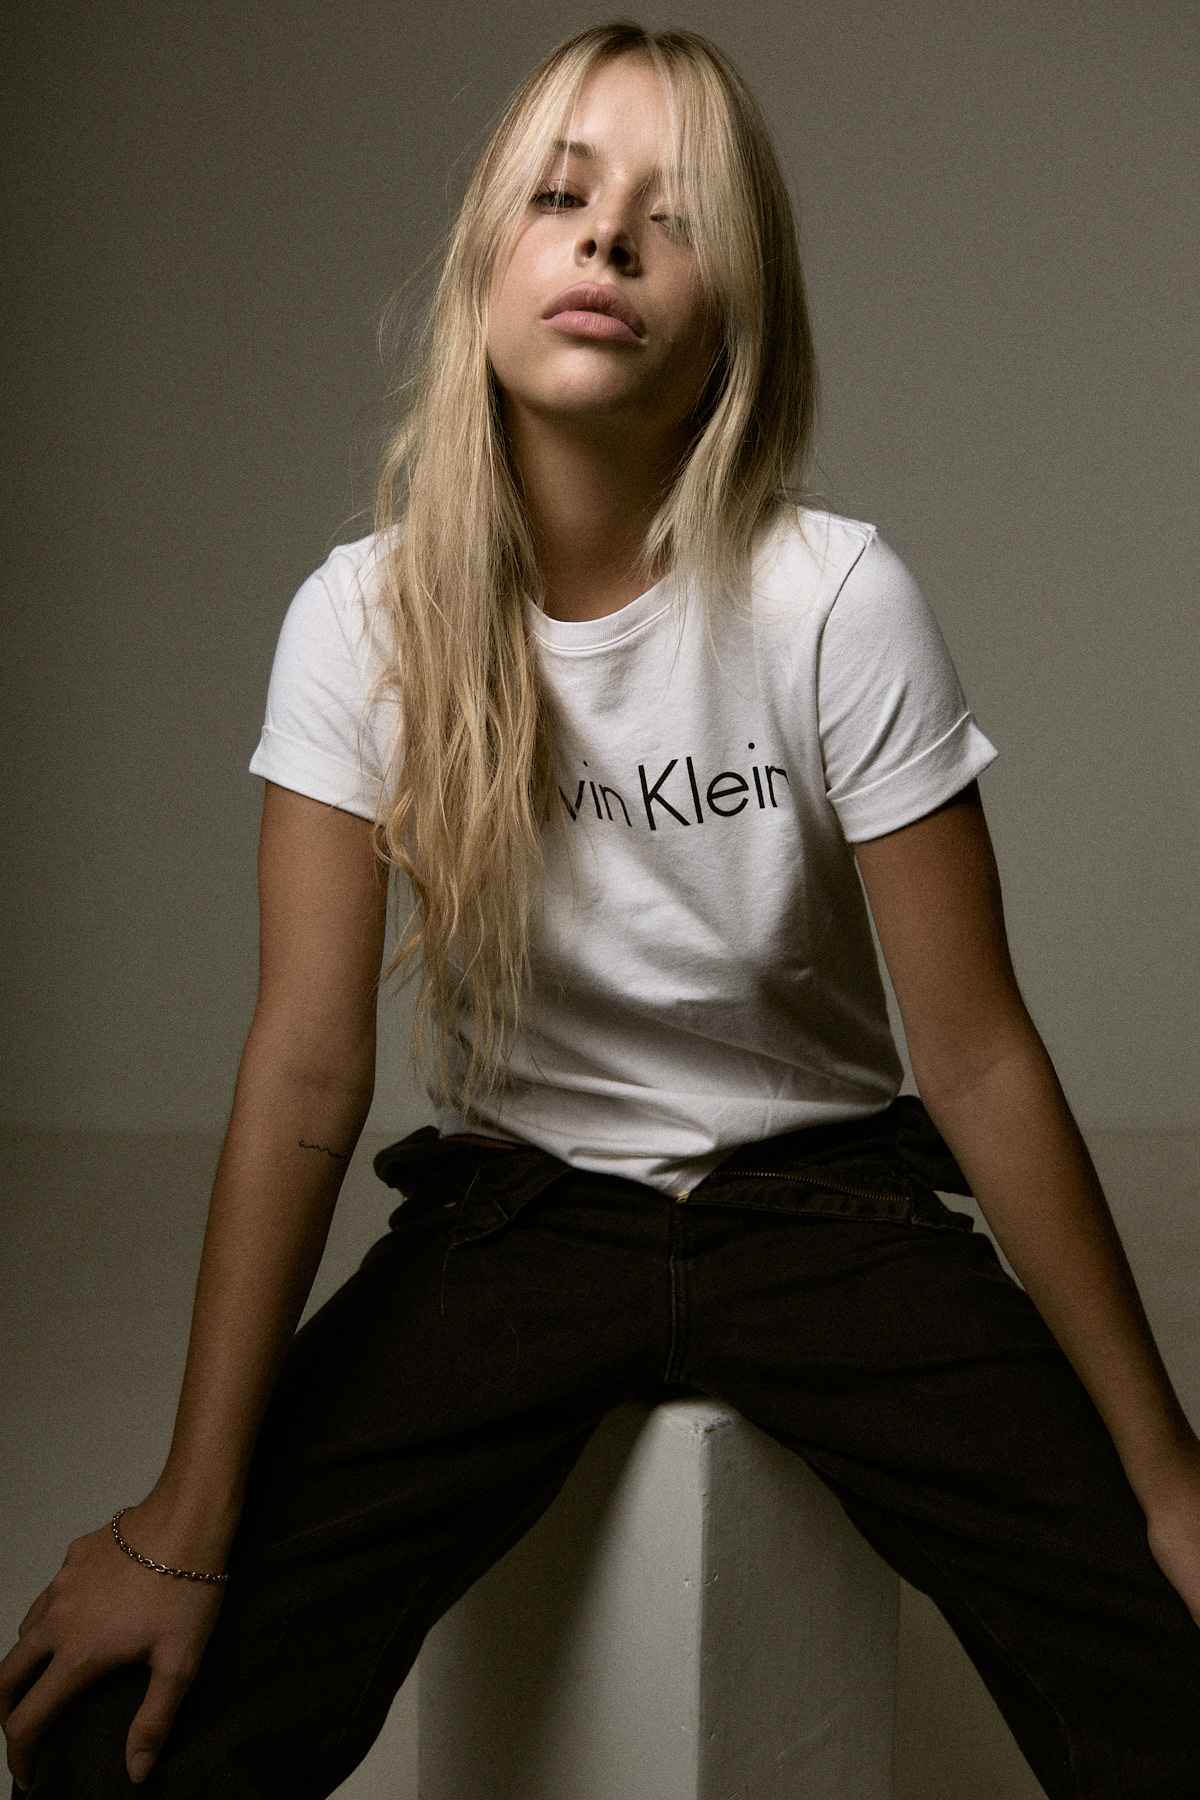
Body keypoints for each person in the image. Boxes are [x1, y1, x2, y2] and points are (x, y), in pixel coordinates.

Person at [3, 20, 1198, 1798]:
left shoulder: (833, 599)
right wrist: (187, 1514)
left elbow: (977, 1057)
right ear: (483, 267)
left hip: (822, 1208)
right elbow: (308, 1065)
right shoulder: (360, 621)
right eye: (560, 196)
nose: (610, 235)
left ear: (737, 322)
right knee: (108, 1742)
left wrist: (1173, 1480)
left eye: (674, 212)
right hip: (520, 1216)